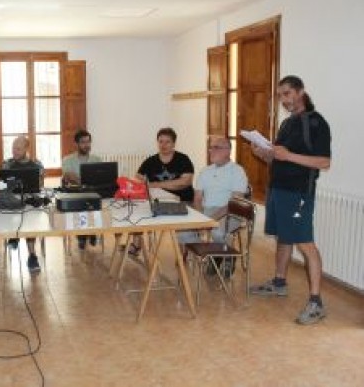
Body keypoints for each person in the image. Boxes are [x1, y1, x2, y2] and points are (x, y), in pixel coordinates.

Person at [250, 75, 331, 325]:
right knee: (284, 238)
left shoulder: (317, 123)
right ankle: (279, 282)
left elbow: (324, 162)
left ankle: (316, 302)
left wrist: (288, 155)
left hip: (299, 193)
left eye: (287, 94)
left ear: (300, 92)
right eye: (281, 95)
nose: (283, 100)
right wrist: (265, 154)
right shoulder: (287, 124)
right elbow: (280, 158)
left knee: (305, 244)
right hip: (278, 189)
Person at [129, 127, 195, 257]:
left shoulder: (183, 159)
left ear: (174, 144)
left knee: (182, 220)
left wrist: (155, 184)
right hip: (157, 201)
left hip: (182, 200)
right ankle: (136, 244)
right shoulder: (151, 161)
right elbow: (138, 177)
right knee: (138, 212)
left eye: (167, 142)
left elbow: (185, 182)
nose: (163, 145)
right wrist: (145, 182)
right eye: (160, 141)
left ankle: (183, 250)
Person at [193, 136, 248, 277]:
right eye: (211, 147)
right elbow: (198, 198)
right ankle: (200, 257)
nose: (211, 150)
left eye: (216, 147)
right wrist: (199, 218)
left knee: (217, 231)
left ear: (228, 151)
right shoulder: (205, 171)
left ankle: (223, 257)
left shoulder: (237, 171)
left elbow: (234, 203)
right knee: (183, 231)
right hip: (207, 211)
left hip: (231, 212)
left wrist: (210, 220)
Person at [1, 136, 44, 272]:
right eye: (13, 148)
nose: (14, 151)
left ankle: (32, 255)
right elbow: (2, 185)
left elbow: (40, 185)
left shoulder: (36, 165)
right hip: (12, 201)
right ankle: (14, 235)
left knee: (30, 219)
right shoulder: (6, 164)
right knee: (13, 208)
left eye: (18, 149)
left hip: (30, 200)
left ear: (26, 149)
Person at [61, 129, 102, 250]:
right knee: (82, 201)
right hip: (75, 192)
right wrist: (87, 181)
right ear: (76, 144)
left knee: (95, 200)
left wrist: (88, 182)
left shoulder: (96, 159)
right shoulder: (68, 159)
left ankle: (91, 231)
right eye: (83, 142)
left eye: (88, 142)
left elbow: (102, 177)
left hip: (93, 191)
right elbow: (69, 176)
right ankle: (83, 235)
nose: (87, 145)